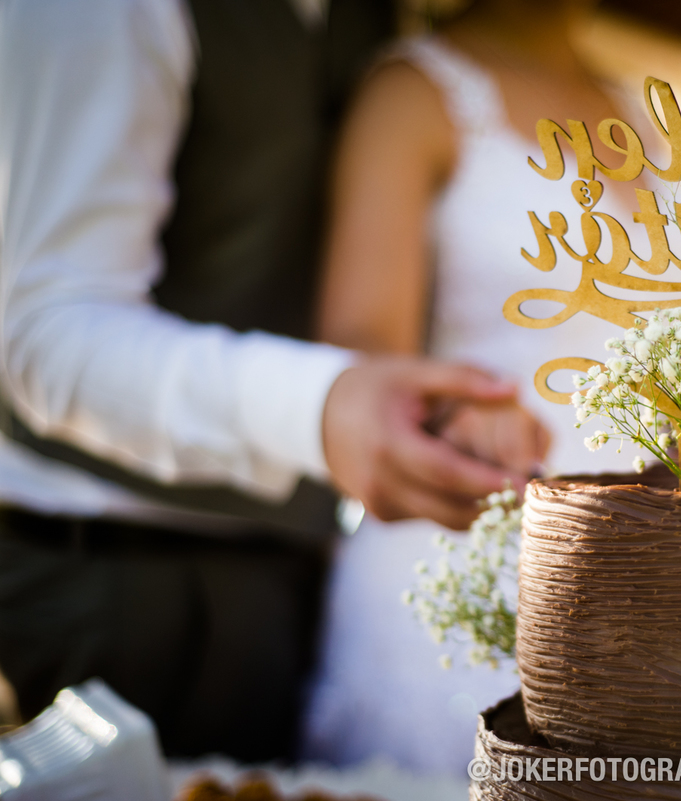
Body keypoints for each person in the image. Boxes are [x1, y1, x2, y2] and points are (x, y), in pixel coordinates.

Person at [0, 0, 547, 762]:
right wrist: (323, 407)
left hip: (309, 580)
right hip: (112, 575)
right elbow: (45, 330)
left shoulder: (391, 27)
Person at [303, 0, 664, 771]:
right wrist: (462, 406)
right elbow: (359, 349)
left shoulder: (641, 107)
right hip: (472, 535)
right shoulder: (415, 92)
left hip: (646, 566)